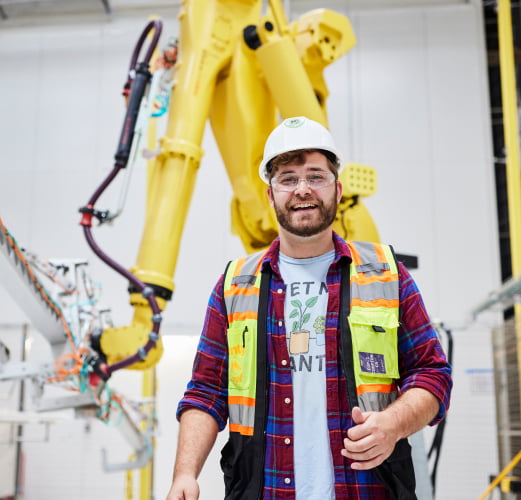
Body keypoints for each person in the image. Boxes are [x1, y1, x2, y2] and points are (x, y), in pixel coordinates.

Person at [166, 116, 452, 500]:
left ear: (337, 187)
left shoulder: (385, 274)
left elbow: (432, 373)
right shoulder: (236, 283)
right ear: (270, 194)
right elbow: (205, 391)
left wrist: (393, 425)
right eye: (287, 178)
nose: (303, 189)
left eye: (316, 176)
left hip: (367, 490)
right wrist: (185, 474)